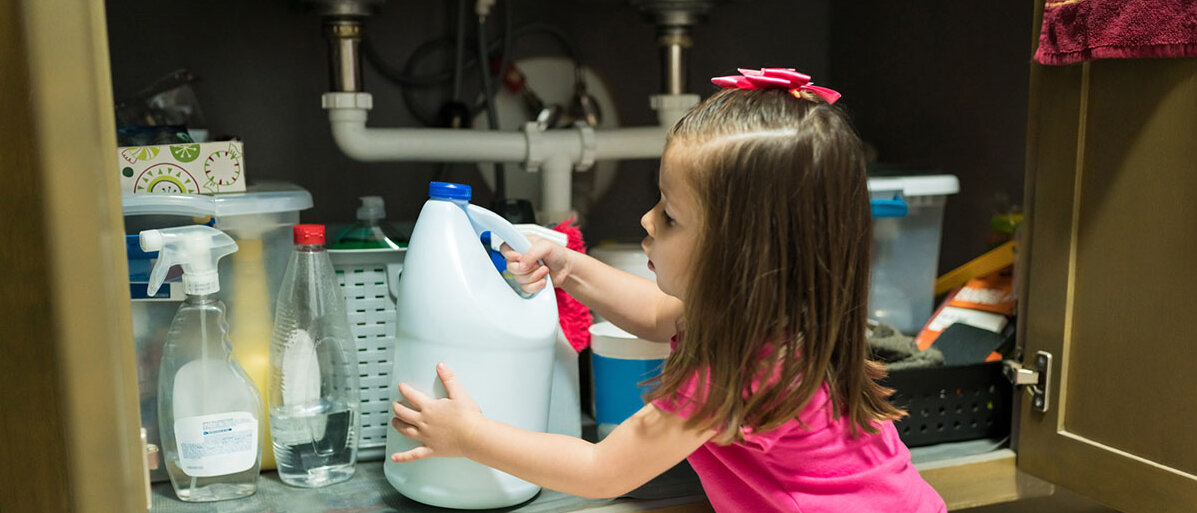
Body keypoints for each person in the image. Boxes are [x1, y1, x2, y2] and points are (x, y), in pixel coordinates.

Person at [389, 68, 947, 513]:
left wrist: (469, 436)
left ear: (745, 252)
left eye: (671, 216)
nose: (647, 221)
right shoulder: (779, 323)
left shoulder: (740, 368)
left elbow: (601, 471)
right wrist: (569, 267)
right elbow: (660, 315)